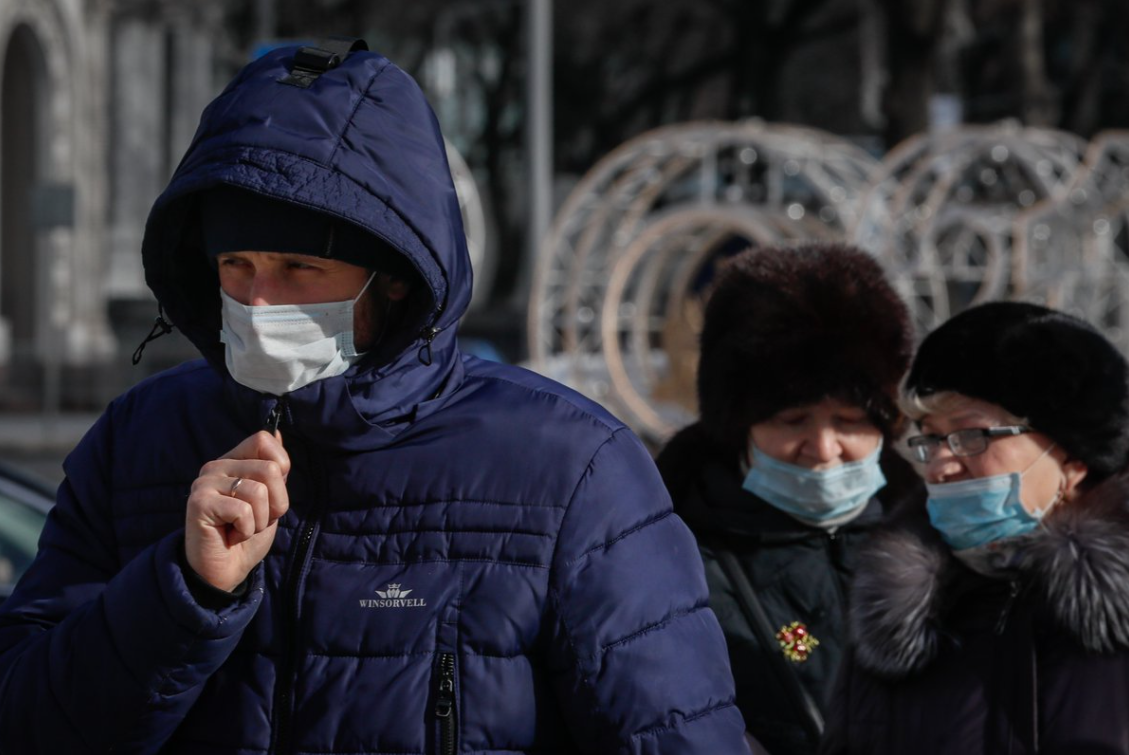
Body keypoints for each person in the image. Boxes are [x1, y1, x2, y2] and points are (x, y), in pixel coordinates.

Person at [0, 39, 751, 754]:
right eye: (236, 263)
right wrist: (183, 594)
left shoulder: (572, 467)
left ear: (393, 275)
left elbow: (674, 731)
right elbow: (26, 718)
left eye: (298, 268)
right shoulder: (141, 436)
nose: (259, 301)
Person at [821, 301, 1129, 754]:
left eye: (970, 435)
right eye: (930, 438)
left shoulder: (1111, 622)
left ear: (1072, 459)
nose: (941, 465)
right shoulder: (894, 615)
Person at [655, 243, 922, 755]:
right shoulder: (674, 557)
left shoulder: (937, 539)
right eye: (791, 420)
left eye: (849, 421)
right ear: (739, 424)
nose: (823, 449)